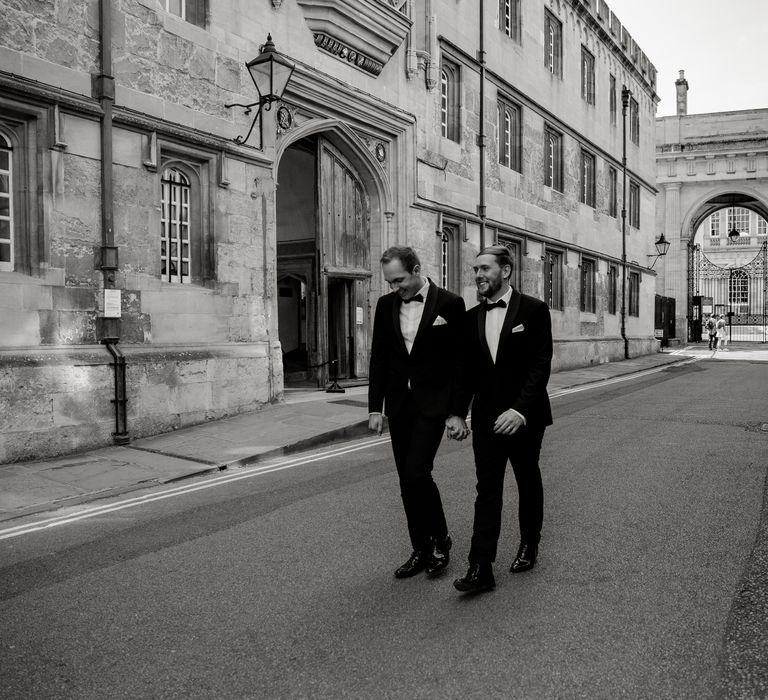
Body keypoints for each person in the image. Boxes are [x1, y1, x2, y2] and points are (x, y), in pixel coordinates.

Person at [453, 245, 553, 594]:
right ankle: (480, 566)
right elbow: (464, 372)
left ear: (506, 271)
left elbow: (540, 365)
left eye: (485, 269)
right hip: (485, 418)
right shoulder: (469, 318)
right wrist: (456, 412)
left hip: (525, 417)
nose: (478, 275)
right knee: (487, 489)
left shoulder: (535, 310)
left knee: (527, 479)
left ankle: (529, 544)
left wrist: (520, 410)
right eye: (475, 269)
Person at [368, 246, 469, 579]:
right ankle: (420, 549)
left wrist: (457, 412)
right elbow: (379, 358)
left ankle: (440, 540)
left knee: (417, 473)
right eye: (390, 282)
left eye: (399, 280)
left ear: (416, 269)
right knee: (406, 480)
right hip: (399, 405)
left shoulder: (450, 304)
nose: (396, 288)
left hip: (432, 405)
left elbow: (460, 364)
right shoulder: (385, 306)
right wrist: (375, 408)